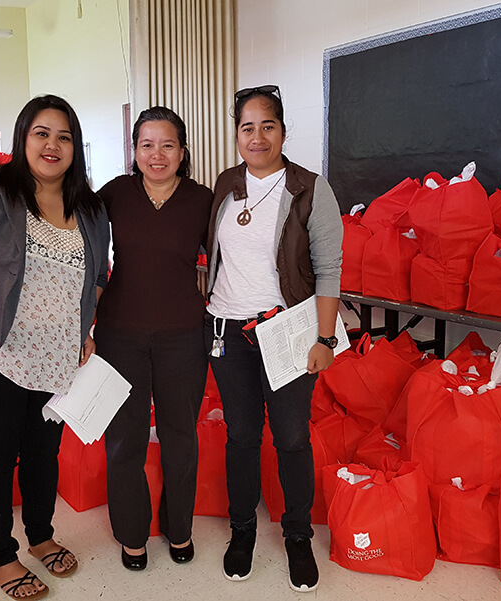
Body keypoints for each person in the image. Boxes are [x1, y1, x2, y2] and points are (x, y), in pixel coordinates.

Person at [0, 95, 109, 600]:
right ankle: (1, 557)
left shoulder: (90, 209)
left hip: (55, 356)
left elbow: (97, 278)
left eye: (64, 136)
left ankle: (41, 534)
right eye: (41, 133)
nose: (52, 145)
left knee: (42, 454)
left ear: (75, 147)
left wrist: (84, 328)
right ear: (22, 137)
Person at [204, 85, 342, 592]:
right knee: (240, 435)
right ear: (236, 134)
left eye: (268, 126)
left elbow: (329, 270)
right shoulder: (223, 185)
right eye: (247, 127)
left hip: (287, 332)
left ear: (283, 131)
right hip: (226, 331)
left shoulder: (309, 188)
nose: (257, 137)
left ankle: (298, 536)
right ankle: (242, 531)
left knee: (290, 437)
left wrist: (324, 339)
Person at [94, 106, 212, 571]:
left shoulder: (203, 199)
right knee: (125, 439)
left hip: (184, 334)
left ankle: (179, 528)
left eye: (167, 145)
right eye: (147, 144)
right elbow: (75, 242)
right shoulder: (114, 195)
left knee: (181, 435)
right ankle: (132, 535)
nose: (157, 154)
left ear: (183, 152)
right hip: (120, 333)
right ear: (134, 150)